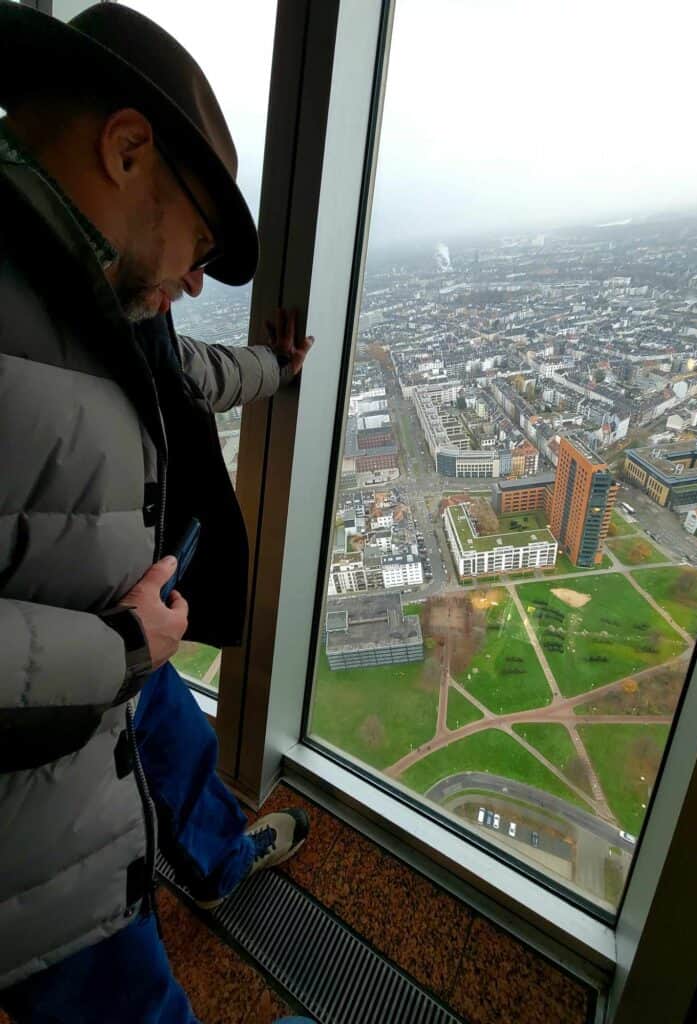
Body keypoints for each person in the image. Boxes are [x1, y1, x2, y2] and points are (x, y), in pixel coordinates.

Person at [0, 3, 315, 1021]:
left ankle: (213, 853)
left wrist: (276, 369)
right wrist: (120, 643)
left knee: (172, 733)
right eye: (201, 240)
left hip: (100, 689)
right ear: (128, 148)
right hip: (33, 802)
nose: (193, 275)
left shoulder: (92, 295)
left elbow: (189, 374)